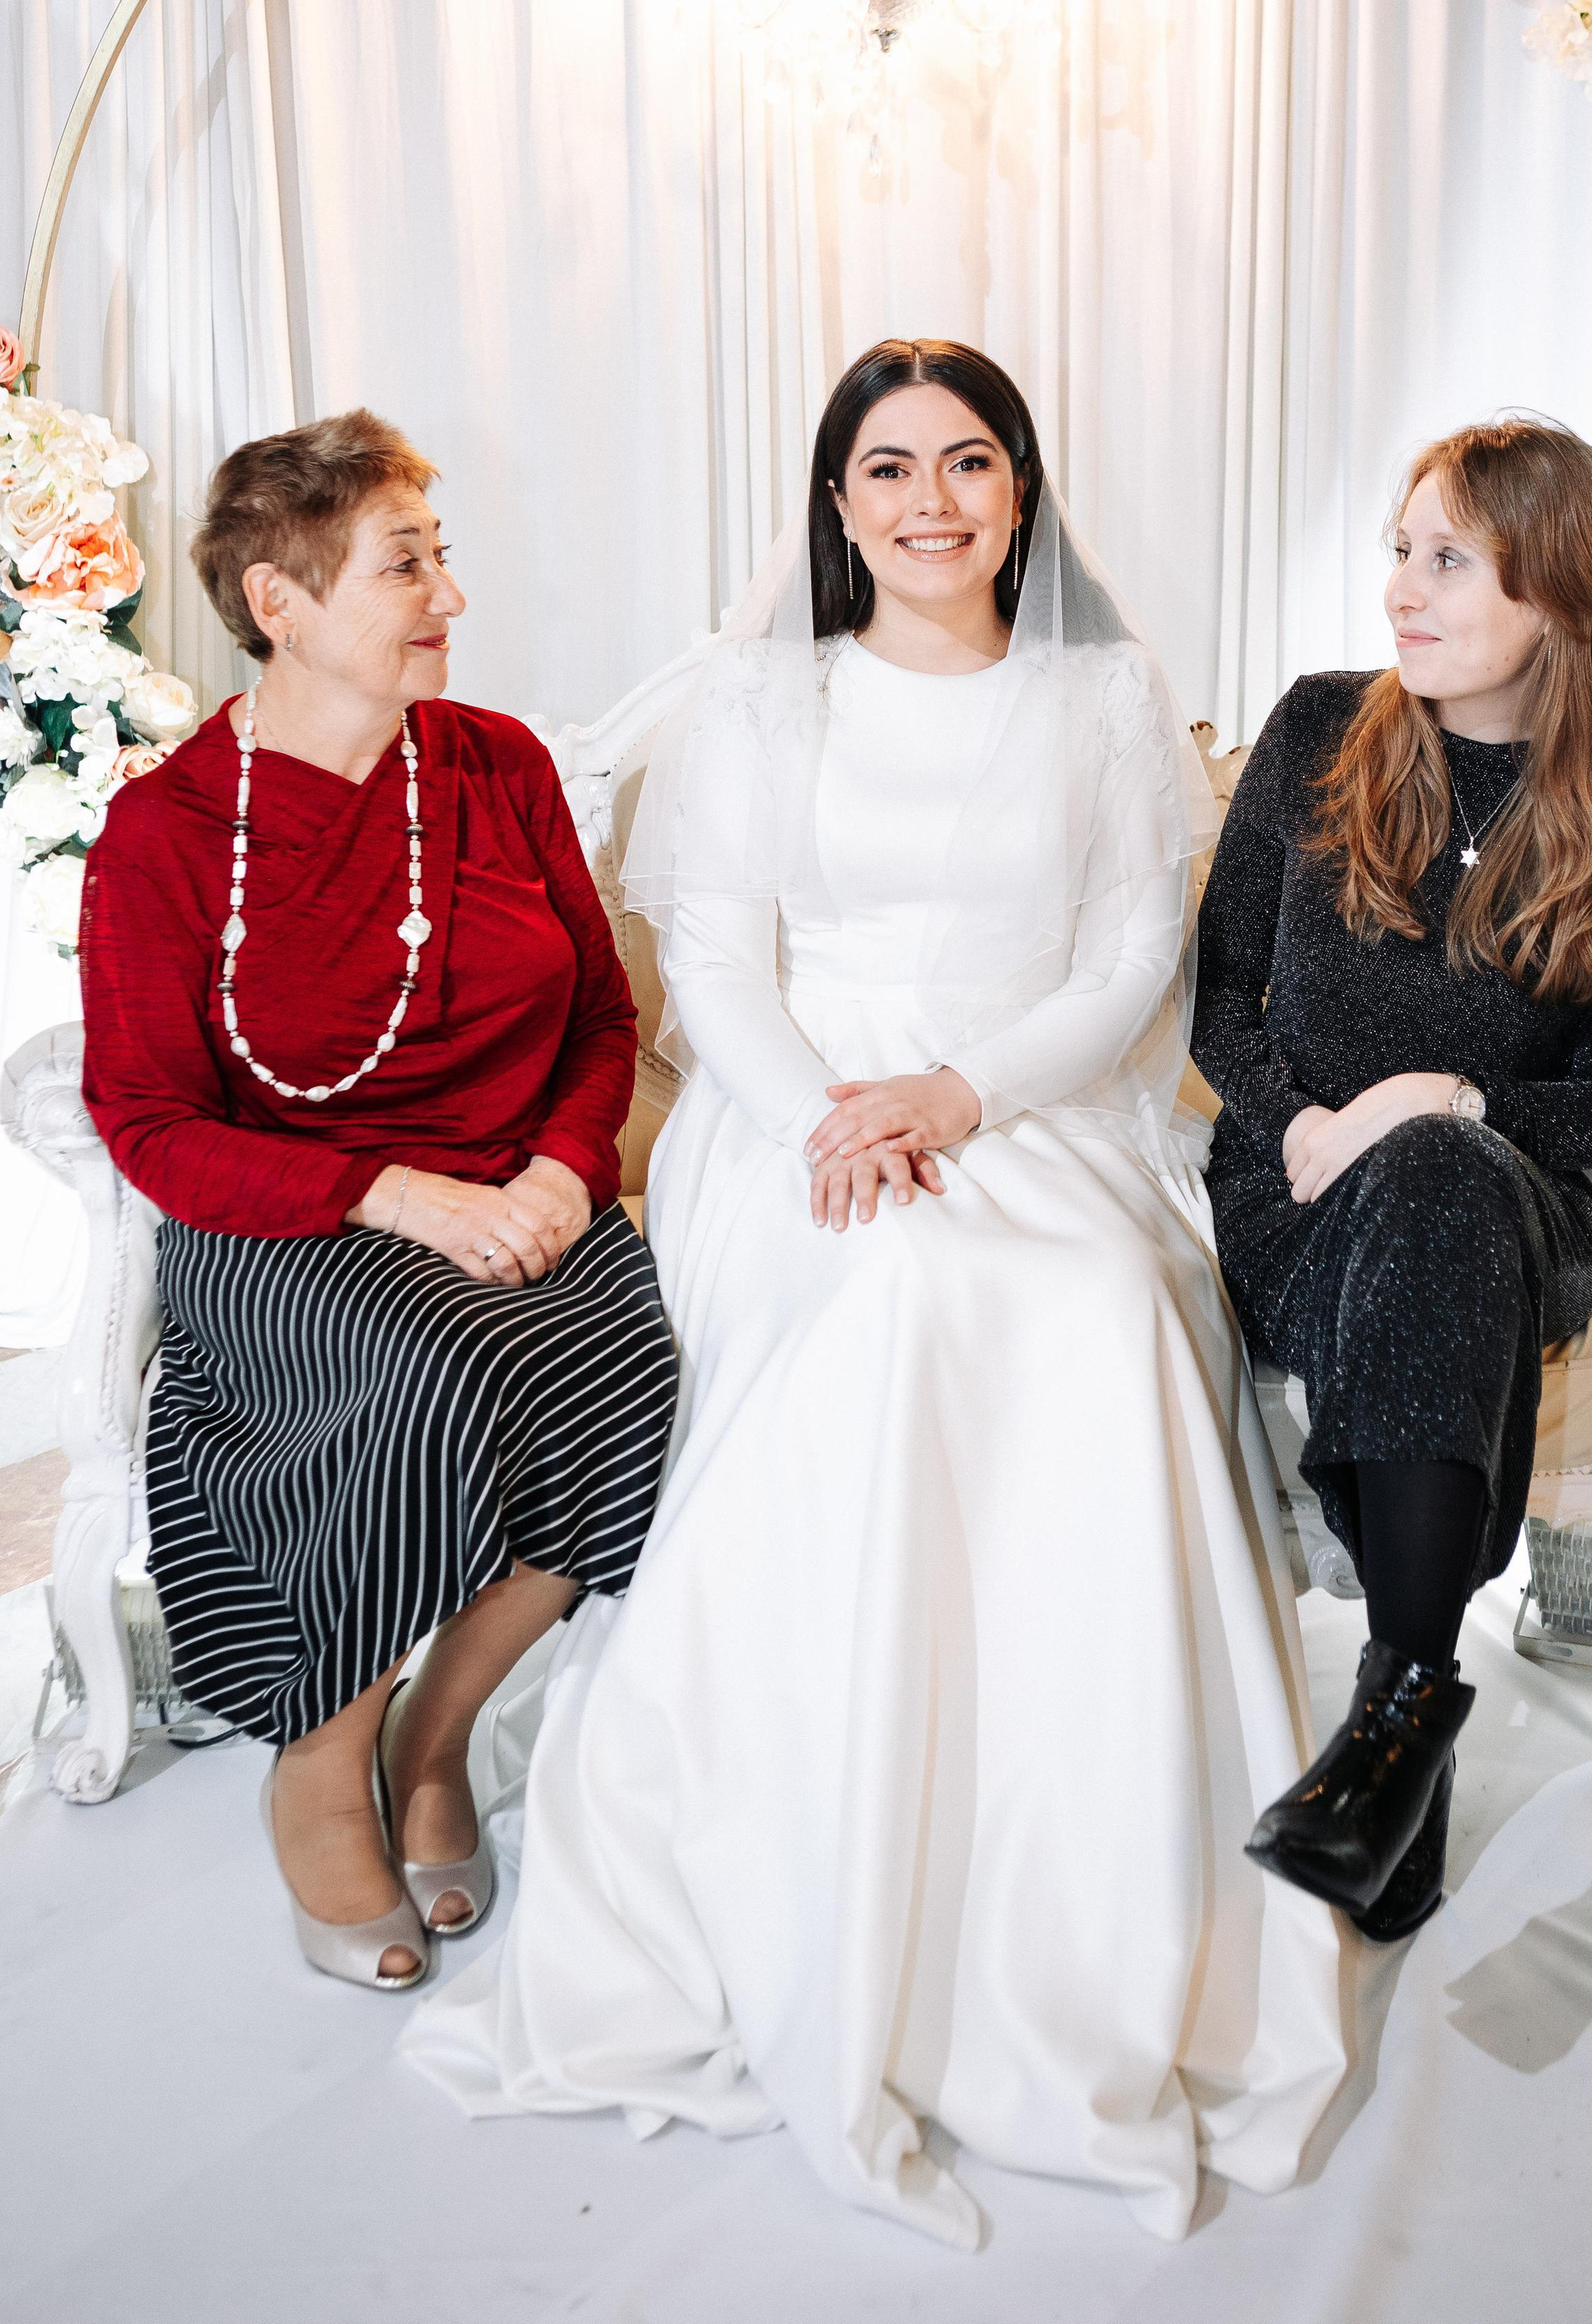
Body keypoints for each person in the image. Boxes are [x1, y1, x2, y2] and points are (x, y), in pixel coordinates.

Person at [404, 340, 1346, 2247]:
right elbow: (722, 964)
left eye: (970, 464)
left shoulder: (1100, 694)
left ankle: (1065, 1887)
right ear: (834, 504)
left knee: (1088, 1313)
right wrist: (837, 1122)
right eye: (890, 469)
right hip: (790, 1124)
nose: (932, 502)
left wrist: (958, 1094)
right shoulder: (765, 702)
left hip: (1029, 1107)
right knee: (887, 1302)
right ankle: (811, 1849)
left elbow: (1127, 953)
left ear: (1021, 492)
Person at [79, 411, 678, 1992]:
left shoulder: (498, 767)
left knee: (646, 1373)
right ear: (277, 600)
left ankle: (438, 1730)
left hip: (524, 1200)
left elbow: (602, 1020)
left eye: (441, 557)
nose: (448, 599)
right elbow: (144, 1118)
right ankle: (318, 1754)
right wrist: (389, 1194)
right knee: (438, 1368)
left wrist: (564, 1167)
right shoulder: (166, 834)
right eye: (403, 566)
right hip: (288, 1223)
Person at [1191, 414, 1592, 1943]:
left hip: (1503, 1203)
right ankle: (1404, 1726)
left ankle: (1388, 1712)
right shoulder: (1315, 731)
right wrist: (1296, 1118)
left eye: (1446, 561)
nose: (1400, 593)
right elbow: (1219, 996)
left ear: (1557, 592)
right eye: (1395, 555)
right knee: (1412, 1182)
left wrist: (1439, 1100)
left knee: (1434, 1172)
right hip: (1290, 1194)